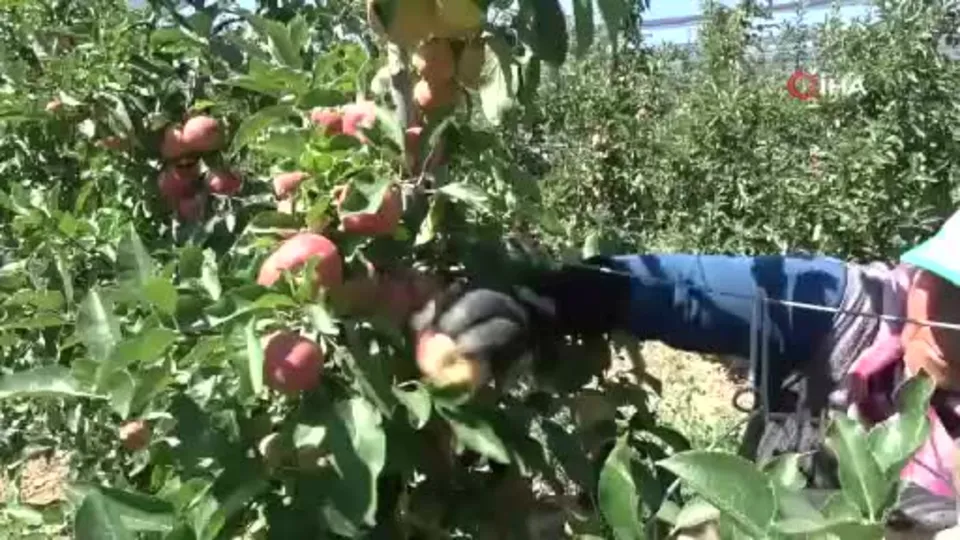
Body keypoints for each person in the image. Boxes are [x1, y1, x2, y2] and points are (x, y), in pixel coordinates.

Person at [410, 211, 960, 534]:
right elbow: (683, 290)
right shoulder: (846, 306)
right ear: (920, 269)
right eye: (946, 289)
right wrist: (549, 300)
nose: (946, 329)